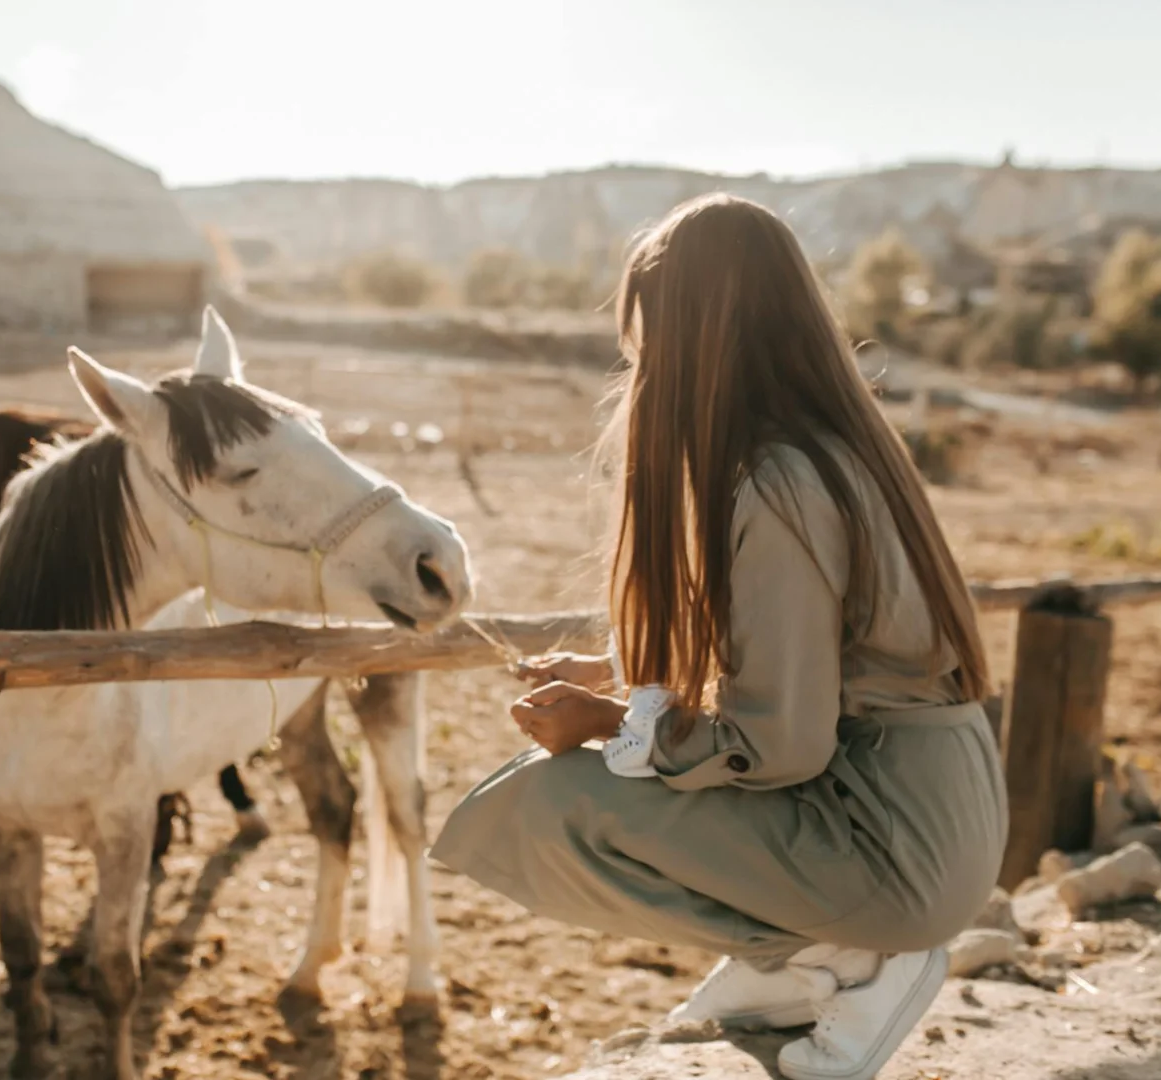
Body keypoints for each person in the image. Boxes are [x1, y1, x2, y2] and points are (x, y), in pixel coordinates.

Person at [430, 194, 1008, 1080]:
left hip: (895, 844)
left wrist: (609, 727)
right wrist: (621, 685)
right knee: (565, 794)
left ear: (695, 338)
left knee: (553, 807)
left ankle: (844, 954)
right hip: (934, 809)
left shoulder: (779, 485)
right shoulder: (835, 454)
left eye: (644, 342)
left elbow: (778, 742)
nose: (637, 370)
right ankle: (821, 951)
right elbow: (808, 670)